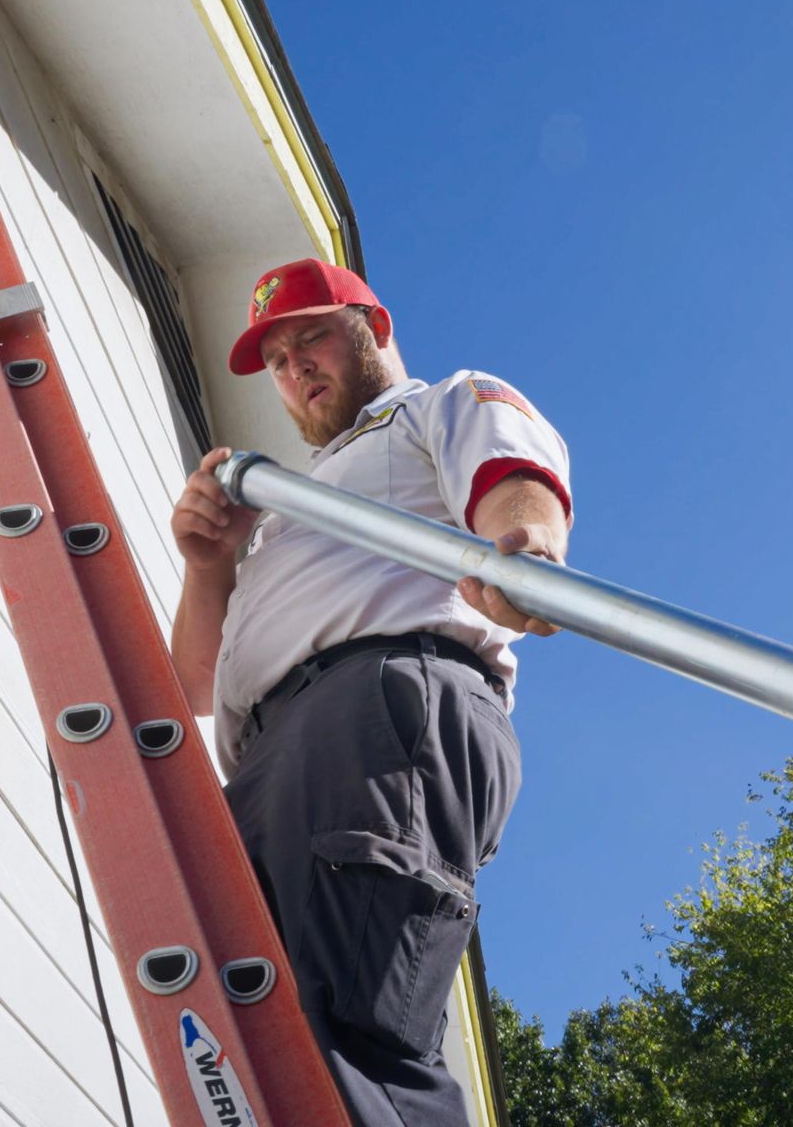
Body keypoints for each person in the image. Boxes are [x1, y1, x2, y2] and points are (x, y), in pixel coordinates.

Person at [169, 257, 572, 1124]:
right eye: (275, 361)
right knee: (254, 1044)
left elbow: (511, 481)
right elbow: (192, 687)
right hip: (272, 761)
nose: (294, 369)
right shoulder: (286, 511)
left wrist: (524, 549)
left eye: (310, 336)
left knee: (344, 1037)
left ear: (373, 330)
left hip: (382, 711)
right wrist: (210, 566)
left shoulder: (435, 407)